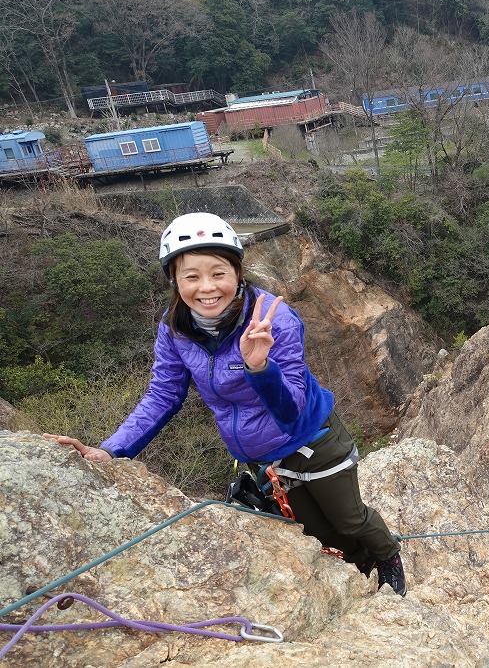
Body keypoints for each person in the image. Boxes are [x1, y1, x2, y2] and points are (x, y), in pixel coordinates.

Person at [45, 212, 407, 597]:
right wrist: (111, 449)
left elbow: (292, 410)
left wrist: (260, 368)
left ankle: (388, 556)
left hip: (312, 442)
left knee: (350, 519)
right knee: (316, 530)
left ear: (237, 272)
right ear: (174, 280)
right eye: (191, 276)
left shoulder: (273, 319)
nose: (206, 287)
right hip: (262, 458)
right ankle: (362, 565)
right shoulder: (175, 328)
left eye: (218, 273)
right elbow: (163, 395)